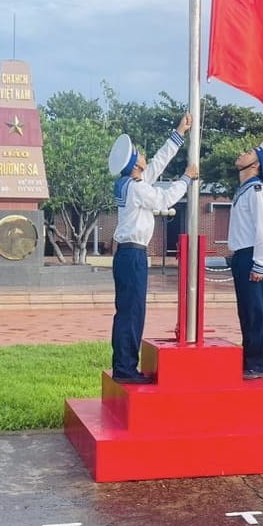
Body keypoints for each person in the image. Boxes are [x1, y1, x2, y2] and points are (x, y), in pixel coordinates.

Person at [107, 114, 199, 384]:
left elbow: (158, 162)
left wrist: (179, 133)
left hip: (128, 254)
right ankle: (125, 369)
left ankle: (124, 365)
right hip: (133, 255)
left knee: (128, 311)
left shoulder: (130, 183)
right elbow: (164, 198)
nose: (145, 156)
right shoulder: (136, 189)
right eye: (140, 155)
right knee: (131, 313)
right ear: (136, 164)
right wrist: (186, 178)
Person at [228, 140, 263, 380]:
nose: (241, 153)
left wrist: (259, 264)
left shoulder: (258, 192)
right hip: (241, 256)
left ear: (256, 165)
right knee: (246, 311)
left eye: (248, 153)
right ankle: (249, 360)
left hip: (252, 256)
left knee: (256, 312)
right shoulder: (246, 190)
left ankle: (257, 363)